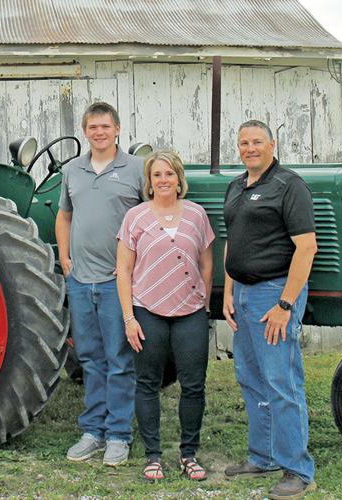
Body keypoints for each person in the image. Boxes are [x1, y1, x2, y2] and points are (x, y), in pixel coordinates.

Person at [221, 120, 318, 499]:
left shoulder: (289, 186)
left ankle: (296, 468)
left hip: (273, 294)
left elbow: (306, 247)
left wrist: (284, 305)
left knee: (282, 381)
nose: (250, 148)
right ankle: (262, 456)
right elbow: (233, 241)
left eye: (257, 142)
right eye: (244, 142)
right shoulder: (237, 186)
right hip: (243, 294)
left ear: (272, 144)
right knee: (250, 377)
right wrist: (229, 291)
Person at [116, 150, 214, 481]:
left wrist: (203, 299)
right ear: (149, 181)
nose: (163, 180)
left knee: (193, 385)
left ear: (179, 178)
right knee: (147, 383)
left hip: (190, 312)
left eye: (169, 174)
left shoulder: (197, 215)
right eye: (157, 175)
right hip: (147, 311)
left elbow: (206, 261)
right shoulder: (135, 217)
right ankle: (153, 455)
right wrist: (129, 317)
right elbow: (124, 270)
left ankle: (189, 454)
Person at [56, 102, 144, 466]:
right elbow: (64, 216)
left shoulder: (136, 169)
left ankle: (119, 435)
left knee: (119, 359)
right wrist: (65, 259)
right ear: (85, 131)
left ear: (118, 129)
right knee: (90, 358)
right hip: (81, 281)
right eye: (92, 127)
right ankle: (93, 430)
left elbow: (149, 219)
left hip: (116, 282)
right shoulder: (72, 170)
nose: (99, 132)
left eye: (105, 126)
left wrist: (134, 268)